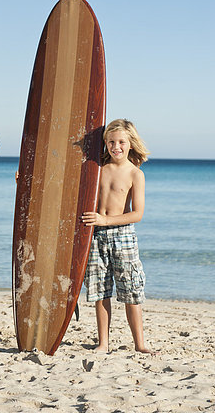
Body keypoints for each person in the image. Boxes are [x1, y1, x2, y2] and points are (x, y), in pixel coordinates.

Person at [81, 118, 152, 353]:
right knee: (101, 291)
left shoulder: (135, 174)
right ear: (105, 143)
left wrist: (106, 220)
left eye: (121, 141)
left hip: (123, 236)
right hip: (96, 235)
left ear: (131, 143)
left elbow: (137, 214)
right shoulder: (96, 168)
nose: (116, 146)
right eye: (111, 142)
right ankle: (103, 343)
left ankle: (139, 345)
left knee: (132, 291)